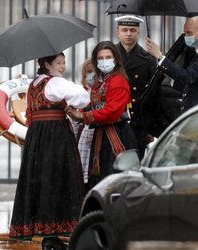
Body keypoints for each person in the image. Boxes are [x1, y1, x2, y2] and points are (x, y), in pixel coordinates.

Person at [9, 52, 90, 250]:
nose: (62, 67)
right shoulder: (56, 83)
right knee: (57, 180)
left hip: (37, 136)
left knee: (40, 179)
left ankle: (42, 231)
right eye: (58, 63)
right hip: (55, 136)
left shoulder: (34, 84)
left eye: (64, 62)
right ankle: (52, 234)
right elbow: (83, 97)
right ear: (47, 64)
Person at [65, 41, 138, 191]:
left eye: (108, 57)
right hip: (101, 135)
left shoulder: (118, 81)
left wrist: (83, 116)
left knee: (113, 180)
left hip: (115, 136)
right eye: (101, 58)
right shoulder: (102, 82)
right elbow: (94, 105)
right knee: (101, 180)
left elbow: (112, 111)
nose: (104, 61)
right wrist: (78, 111)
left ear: (115, 59)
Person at [115, 15, 157, 159]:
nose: (128, 34)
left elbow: (153, 95)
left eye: (133, 30)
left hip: (138, 122)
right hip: (114, 119)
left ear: (138, 33)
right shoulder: (109, 56)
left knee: (135, 165)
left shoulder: (148, 59)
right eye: (124, 30)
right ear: (117, 32)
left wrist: (150, 128)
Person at [145, 16, 198, 113]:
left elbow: (188, 76)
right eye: (184, 33)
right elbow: (190, 86)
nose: (185, 37)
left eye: (189, 33)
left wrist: (160, 56)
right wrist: (170, 75)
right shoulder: (193, 53)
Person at [76, 59, 95, 188]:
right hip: (84, 133)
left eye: (94, 71)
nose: (92, 75)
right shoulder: (81, 92)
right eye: (89, 72)